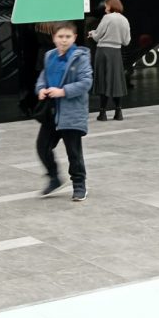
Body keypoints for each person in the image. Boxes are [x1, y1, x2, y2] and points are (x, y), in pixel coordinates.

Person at [35, 21, 93, 201]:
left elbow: (86, 82)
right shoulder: (49, 56)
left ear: (74, 38)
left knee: (73, 152)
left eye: (68, 36)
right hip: (52, 112)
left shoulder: (80, 57)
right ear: (54, 38)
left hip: (71, 112)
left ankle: (79, 185)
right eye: (60, 36)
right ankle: (54, 178)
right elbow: (43, 77)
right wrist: (41, 89)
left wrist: (63, 91)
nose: (64, 40)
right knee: (42, 147)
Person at [88, 0, 131, 120]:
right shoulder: (124, 20)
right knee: (116, 81)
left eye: (106, 5)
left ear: (111, 6)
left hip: (103, 52)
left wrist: (92, 33)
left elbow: (97, 36)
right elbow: (126, 41)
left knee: (103, 82)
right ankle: (118, 112)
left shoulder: (107, 18)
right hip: (116, 53)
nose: (105, 8)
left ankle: (103, 113)